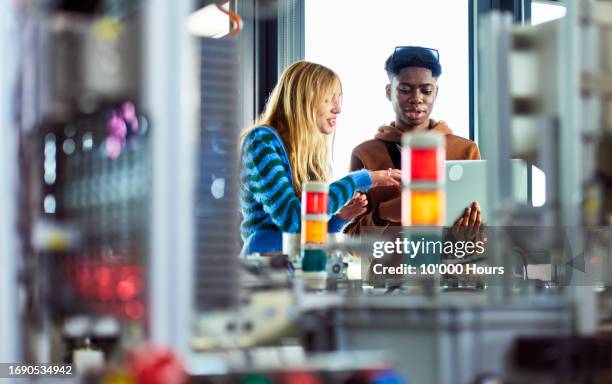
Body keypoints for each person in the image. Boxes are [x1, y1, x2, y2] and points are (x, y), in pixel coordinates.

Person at [240, 60, 401, 255]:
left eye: (338, 99)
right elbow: (293, 220)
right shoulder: (261, 142)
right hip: (265, 268)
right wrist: (362, 179)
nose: (337, 109)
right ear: (304, 100)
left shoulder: (306, 156)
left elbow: (309, 237)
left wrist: (340, 218)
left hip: (295, 266)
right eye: (329, 99)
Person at [345, 46, 481, 235]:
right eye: (405, 89)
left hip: (451, 264)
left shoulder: (465, 150)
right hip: (387, 265)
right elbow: (352, 245)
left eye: (426, 91)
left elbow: (482, 237)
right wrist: (383, 213)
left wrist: (471, 237)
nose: (416, 99)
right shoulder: (365, 154)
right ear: (388, 91)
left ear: (436, 93)